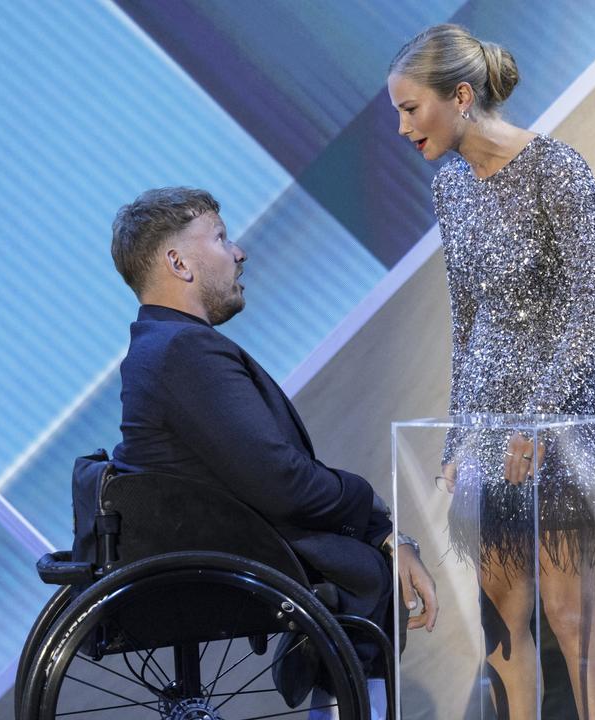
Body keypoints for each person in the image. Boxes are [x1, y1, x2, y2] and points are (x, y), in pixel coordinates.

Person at [108, 187, 438, 719]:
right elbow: (283, 482)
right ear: (177, 262)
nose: (239, 252)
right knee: (367, 570)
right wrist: (372, 507)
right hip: (219, 554)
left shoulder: (165, 346)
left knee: (362, 562)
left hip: (222, 540)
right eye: (219, 237)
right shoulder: (183, 351)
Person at [388, 24, 595, 720]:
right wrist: (461, 440)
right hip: (489, 425)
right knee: (504, 624)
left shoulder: (556, 169)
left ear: (460, 96)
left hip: (562, 423)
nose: (403, 129)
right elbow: (469, 325)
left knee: (571, 615)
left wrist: (539, 419)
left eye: (410, 109)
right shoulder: (451, 189)